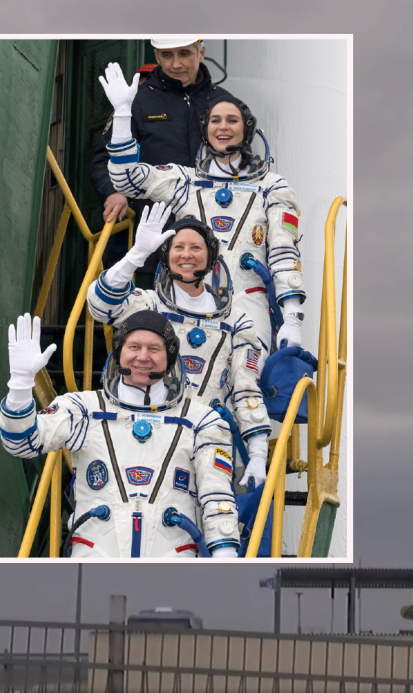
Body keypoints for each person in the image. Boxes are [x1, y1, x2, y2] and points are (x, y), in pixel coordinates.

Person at [101, 61, 307, 360]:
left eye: (232, 120)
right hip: (183, 301)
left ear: (247, 129)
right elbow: (127, 178)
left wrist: (291, 319)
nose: (223, 127)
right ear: (205, 130)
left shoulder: (272, 188)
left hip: (247, 304)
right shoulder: (184, 180)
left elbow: (284, 254)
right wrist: (122, 114)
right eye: (215, 121)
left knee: (244, 376)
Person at [0, 311, 241, 558]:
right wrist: (20, 385)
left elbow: (217, 496)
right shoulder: (85, 409)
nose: (143, 357)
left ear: (170, 356)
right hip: (95, 563)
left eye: (154, 349)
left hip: (171, 569)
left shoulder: (200, 420)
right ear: (118, 351)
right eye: (133, 346)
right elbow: (21, 443)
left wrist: (225, 557)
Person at [87, 202, 271, 489]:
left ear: (211, 257)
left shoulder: (237, 320)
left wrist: (258, 453)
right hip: (147, 437)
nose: (187, 255)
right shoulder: (147, 304)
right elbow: (100, 305)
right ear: (166, 255)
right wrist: (136, 255)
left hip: (209, 443)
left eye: (196, 248)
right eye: (178, 247)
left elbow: (247, 387)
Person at [91, 39, 234, 288]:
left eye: (184, 54)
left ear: (201, 54)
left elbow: (243, 165)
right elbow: (104, 158)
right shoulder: (136, 102)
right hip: (150, 239)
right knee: (144, 319)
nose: (176, 64)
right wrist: (113, 192)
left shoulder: (225, 104)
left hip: (212, 238)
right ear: (156, 57)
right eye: (167, 55)